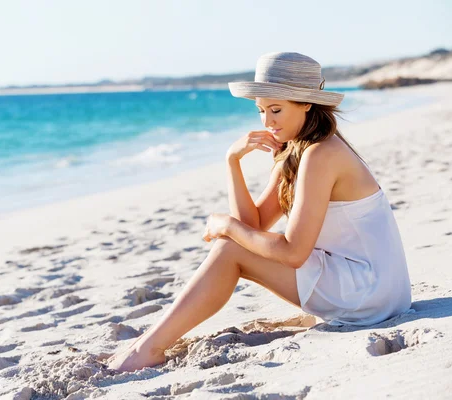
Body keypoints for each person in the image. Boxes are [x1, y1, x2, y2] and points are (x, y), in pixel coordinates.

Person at [107, 52, 412, 372]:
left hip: (371, 292)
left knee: (229, 247)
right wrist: (232, 161)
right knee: (231, 245)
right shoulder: (301, 149)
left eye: (276, 109)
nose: (268, 122)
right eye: (261, 111)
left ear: (306, 103)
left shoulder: (322, 154)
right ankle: (148, 344)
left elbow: (292, 253)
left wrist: (225, 226)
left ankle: (148, 348)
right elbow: (252, 224)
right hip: (374, 287)